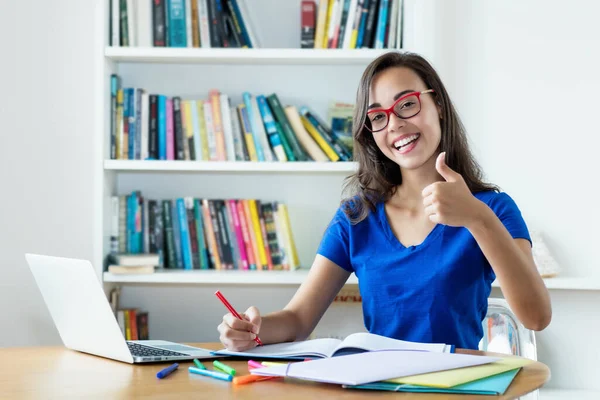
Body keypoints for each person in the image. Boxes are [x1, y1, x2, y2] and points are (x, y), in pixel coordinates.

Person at [217, 51, 552, 352]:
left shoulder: (492, 209)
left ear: (437, 104)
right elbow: (298, 319)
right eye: (378, 117)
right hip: (380, 388)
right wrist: (254, 331)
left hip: (457, 389)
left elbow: (536, 317)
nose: (395, 124)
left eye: (407, 104)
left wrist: (478, 219)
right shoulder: (356, 216)